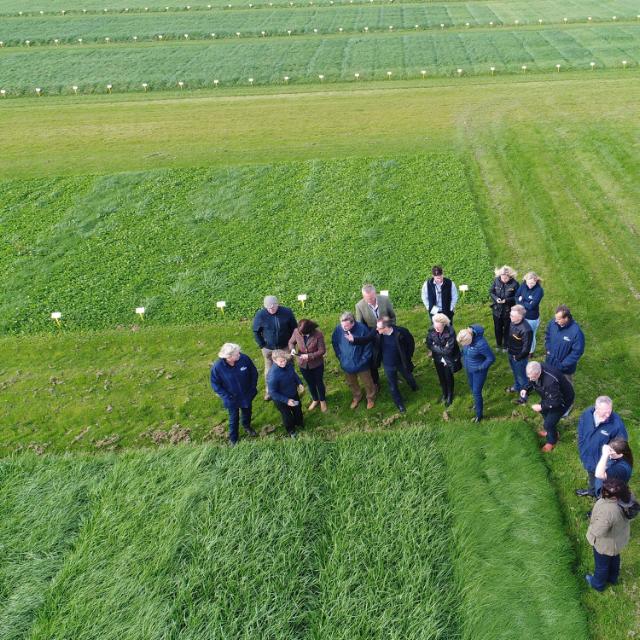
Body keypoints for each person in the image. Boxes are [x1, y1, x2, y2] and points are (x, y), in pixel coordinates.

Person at [576, 396, 629, 497]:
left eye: (610, 411)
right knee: (592, 476)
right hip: (588, 457)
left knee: (602, 485)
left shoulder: (616, 424)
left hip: (603, 462)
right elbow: (581, 430)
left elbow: (621, 445)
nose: (608, 414)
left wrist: (608, 459)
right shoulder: (587, 414)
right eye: (604, 412)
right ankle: (592, 492)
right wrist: (582, 446)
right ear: (596, 408)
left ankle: (599, 504)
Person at [585, 478, 631, 591]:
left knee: (602, 566)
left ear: (613, 496)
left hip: (605, 544)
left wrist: (591, 527)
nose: (602, 491)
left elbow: (598, 531)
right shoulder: (626, 499)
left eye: (604, 490)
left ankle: (598, 585)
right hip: (617, 540)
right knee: (615, 559)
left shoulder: (608, 511)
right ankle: (612, 578)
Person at [210, 343, 258, 446]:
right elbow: (215, 384)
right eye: (236, 354)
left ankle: (246, 426)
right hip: (231, 398)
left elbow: (254, 372)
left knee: (247, 412)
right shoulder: (217, 367)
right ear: (229, 357)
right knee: (233, 418)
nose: (239, 354)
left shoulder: (244, 358)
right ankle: (233, 439)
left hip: (246, 395)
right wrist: (226, 396)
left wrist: (252, 387)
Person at [520, 361, 574, 452]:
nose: (530, 379)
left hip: (562, 400)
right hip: (550, 395)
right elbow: (531, 381)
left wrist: (541, 406)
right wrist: (525, 389)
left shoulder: (550, 382)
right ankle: (551, 432)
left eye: (532, 377)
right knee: (544, 412)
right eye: (528, 376)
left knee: (548, 424)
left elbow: (556, 401)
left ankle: (552, 441)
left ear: (539, 373)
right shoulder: (535, 368)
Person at [252, 295, 297, 400]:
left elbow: (295, 329)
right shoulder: (260, 315)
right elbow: (256, 331)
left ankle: (292, 386)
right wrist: (262, 345)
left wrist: (292, 344)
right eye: (268, 308)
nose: (271, 310)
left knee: (289, 366)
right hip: (268, 348)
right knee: (269, 369)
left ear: (278, 304)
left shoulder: (287, 312)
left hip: (285, 346)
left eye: (273, 307)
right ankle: (269, 391)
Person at [331, 312, 376, 409]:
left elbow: (368, 347)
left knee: (367, 382)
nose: (344, 328)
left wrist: (363, 361)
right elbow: (335, 343)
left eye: (346, 326)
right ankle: (357, 396)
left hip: (362, 364)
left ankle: (370, 398)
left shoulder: (363, 329)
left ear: (353, 323)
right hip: (346, 363)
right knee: (352, 383)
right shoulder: (338, 329)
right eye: (342, 325)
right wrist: (340, 356)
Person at [355, 284, 396, 387]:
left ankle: (395, 375)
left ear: (375, 294)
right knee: (374, 359)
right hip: (373, 335)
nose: (370, 300)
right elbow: (360, 325)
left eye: (372, 298)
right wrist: (370, 336)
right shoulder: (359, 306)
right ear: (363, 296)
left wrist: (390, 329)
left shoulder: (384, 300)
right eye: (367, 298)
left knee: (392, 355)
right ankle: (376, 381)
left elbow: (392, 316)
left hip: (387, 331)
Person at [376, 316, 417, 413]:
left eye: (379, 328)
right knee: (393, 385)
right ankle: (399, 404)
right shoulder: (378, 335)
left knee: (408, 376)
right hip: (388, 365)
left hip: (401, 362)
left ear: (386, 328)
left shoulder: (401, 332)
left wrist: (408, 356)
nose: (376, 329)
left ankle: (414, 386)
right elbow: (367, 339)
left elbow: (410, 343)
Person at [457, 325, 496, 422]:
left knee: (476, 392)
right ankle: (476, 403)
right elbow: (464, 350)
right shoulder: (467, 340)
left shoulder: (481, 344)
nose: (464, 345)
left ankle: (479, 415)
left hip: (478, 371)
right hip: (469, 368)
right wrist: (460, 355)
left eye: (465, 344)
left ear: (470, 339)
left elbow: (491, 358)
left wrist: (480, 368)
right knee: (471, 386)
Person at [288, 318, 327, 413]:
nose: (301, 335)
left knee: (319, 382)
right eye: (300, 333)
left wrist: (309, 356)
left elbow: (322, 350)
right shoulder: (297, 331)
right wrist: (292, 349)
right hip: (303, 364)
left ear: (310, 330)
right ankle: (315, 399)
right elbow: (291, 342)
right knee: (310, 383)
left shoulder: (318, 334)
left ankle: (322, 400)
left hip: (317, 364)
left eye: (303, 334)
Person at [267, 350, 305, 438]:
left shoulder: (288, 365)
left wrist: (299, 383)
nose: (284, 363)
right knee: (287, 415)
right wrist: (286, 401)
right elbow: (272, 392)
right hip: (282, 400)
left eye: (284, 360)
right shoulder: (272, 375)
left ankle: (299, 423)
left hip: (293, 393)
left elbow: (294, 374)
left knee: (298, 409)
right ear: (274, 360)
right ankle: (291, 431)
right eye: (281, 361)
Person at [426, 313, 461, 407]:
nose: (436, 329)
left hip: (448, 359)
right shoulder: (431, 330)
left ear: (444, 325)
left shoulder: (450, 332)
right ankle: (444, 393)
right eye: (435, 327)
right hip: (437, 358)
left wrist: (435, 346)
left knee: (448, 377)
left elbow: (448, 350)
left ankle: (450, 395)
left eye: (439, 328)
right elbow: (429, 344)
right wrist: (440, 348)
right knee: (441, 376)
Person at [544, 304, 585, 385]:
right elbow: (548, 336)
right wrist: (548, 349)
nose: (555, 321)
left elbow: (577, 352)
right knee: (550, 385)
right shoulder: (552, 323)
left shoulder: (576, 332)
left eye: (558, 319)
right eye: (555, 318)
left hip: (565, 370)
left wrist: (562, 365)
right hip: (550, 363)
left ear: (566, 318)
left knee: (566, 389)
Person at [489, 265, 518, 351]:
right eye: (502, 277)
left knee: (507, 328)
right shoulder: (496, 280)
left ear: (510, 276)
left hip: (508, 311)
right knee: (497, 328)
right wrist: (495, 298)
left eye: (506, 278)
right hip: (497, 310)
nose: (504, 279)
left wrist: (506, 300)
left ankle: (506, 345)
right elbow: (491, 291)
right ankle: (498, 344)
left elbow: (517, 297)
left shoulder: (515, 284)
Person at [506, 304, 532, 398]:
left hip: (519, 358)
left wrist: (517, 357)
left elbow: (526, 349)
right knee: (515, 372)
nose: (510, 317)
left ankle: (524, 396)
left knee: (522, 377)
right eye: (510, 314)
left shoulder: (526, 330)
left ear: (520, 317)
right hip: (511, 352)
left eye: (512, 315)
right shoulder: (512, 322)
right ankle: (517, 387)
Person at [515, 271, 544, 355]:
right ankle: (522, 347)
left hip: (532, 317)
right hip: (522, 315)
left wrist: (522, 300)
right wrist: (527, 302)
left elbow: (532, 306)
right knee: (522, 333)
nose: (530, 285)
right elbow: (516, 296)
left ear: (536, 281)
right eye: (528, 283)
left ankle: (530, 352)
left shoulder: (539, 291)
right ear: (525, 280)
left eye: (532, 283)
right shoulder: (523, 285)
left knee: (531, 335)